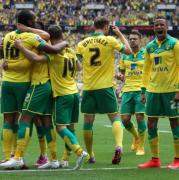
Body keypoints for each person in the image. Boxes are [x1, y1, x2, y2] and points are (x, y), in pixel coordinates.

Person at [11, 25, 89, 170]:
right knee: (69, 127)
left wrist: (21, 47)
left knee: (60, 127)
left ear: (50, 38)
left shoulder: (54, 54)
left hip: (62, 94)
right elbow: (78, 68)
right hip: (74, 92)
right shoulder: (70, 51)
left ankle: (79, 152)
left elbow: (34, 58)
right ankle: (63, 157)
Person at [0, 10, 67, 169]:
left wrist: (6, 63)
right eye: (34, 20)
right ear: (30, 22)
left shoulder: (8, 36)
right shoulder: (32, 37)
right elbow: (48, 38)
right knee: (30, 120)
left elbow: (4, 52)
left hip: (7, 82)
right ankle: (24, 157)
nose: (36, 22)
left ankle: (7, 156)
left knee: (8, 120)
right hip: (25, 83)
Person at [76, 16, 132, 164]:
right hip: (106, 86)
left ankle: (90, 154)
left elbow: (75, 63)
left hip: (88, 88)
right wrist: (119, 34)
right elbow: (129, 50)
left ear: (94, 26)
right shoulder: (110, 40)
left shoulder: (82, 43)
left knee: (88, 122)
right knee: (114, 117)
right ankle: (119, 146)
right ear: (106, 26)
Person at [138, 16, 179, 169]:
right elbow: (146, 70)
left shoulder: (175, 44)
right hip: (153, 91)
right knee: (150, 123)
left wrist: (178, 90)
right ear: (153, 28)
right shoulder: (149, 47)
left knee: (174, 121)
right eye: (156, 25)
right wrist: (143, 91)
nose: (159, 27)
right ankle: (155, 160)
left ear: (167, 27)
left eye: (162, 24)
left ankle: (178, 159)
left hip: (171, 91)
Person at [117, 30, 146, 155]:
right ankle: (136, 137)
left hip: (141, 89)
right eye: (130, 39)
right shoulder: (124, 55)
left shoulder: (146, 54)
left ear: (140, 40)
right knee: (125, 119)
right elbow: (122, 73)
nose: (132, 40)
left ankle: (141, 146)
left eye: (135, 39)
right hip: (127, 90)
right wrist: (119, 76)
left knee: (140, 116)